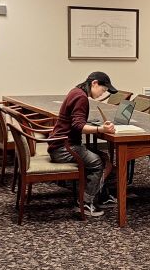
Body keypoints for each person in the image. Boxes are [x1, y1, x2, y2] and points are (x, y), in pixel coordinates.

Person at [49, 71, 118, 217]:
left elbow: (76, 122)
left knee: (104, 157)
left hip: (60, 144)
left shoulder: (76, 92)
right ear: (94, 83)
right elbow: (78, 126)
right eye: (103, 90)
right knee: (98, 162)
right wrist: (101, 129)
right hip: (64, 148)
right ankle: (86, 203)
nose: (102, 94)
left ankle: (102, 196)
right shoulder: (81, 98)